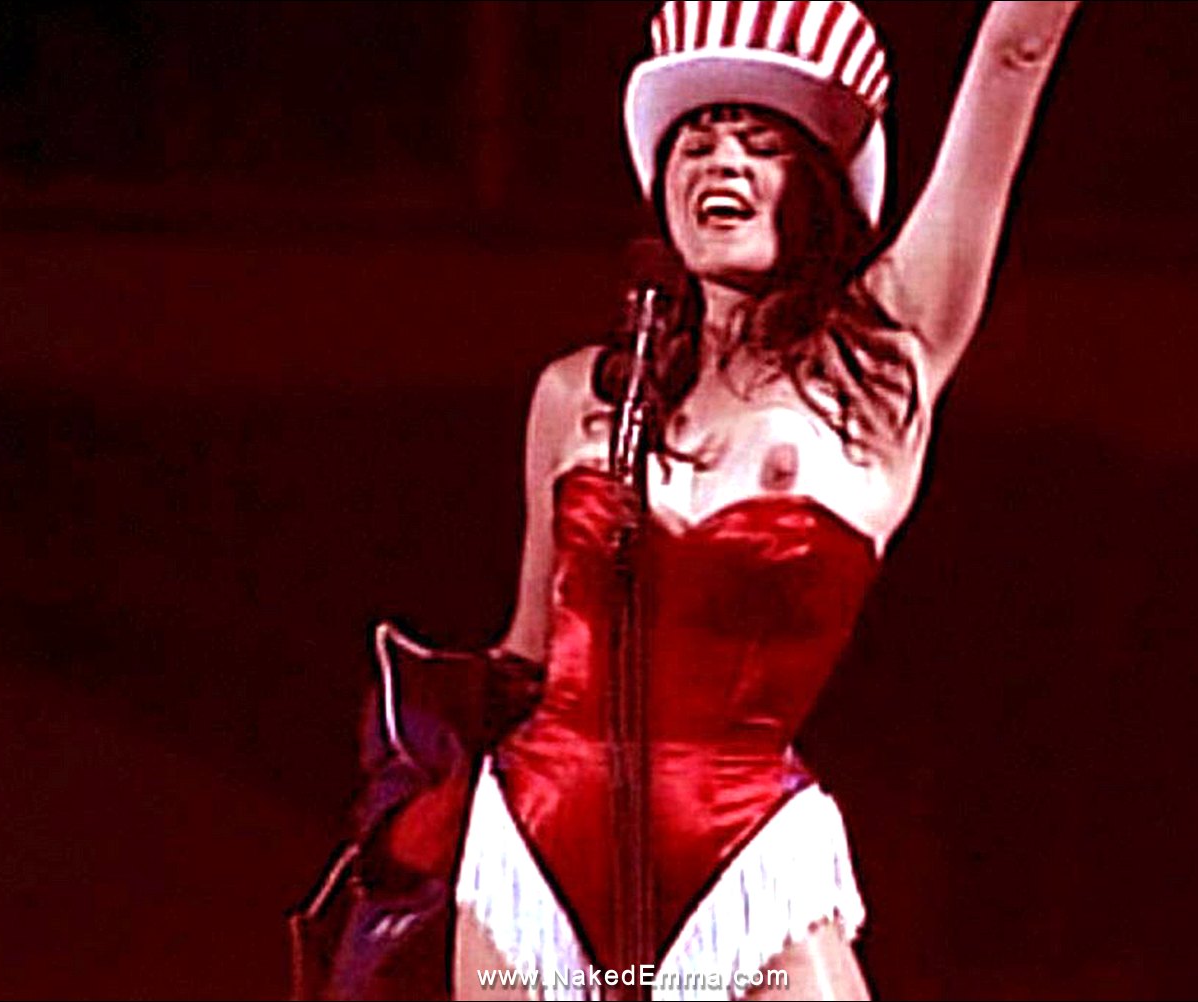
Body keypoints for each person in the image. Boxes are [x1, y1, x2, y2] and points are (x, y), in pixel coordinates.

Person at [295, 2, 1081, 999]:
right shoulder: (580, 395)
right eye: (695, 144)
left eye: (759, 144)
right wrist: (423, 793)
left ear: (819, 183)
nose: (719, 165)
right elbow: (526, 654)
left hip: (744, 851)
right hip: (530, 851)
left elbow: (1015, 54)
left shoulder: (880, 365)